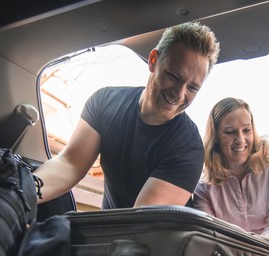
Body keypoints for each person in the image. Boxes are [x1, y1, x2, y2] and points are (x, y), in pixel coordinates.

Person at [34, 22, 220, 209]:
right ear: (153, 61)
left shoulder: (189, 148)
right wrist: (24, 192)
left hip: (155, 236)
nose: (180, 94)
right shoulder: (104, 102)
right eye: (173, 76)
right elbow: (70, 165)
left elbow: (143, 220)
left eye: (192, 88)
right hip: (114, 228)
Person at [193, 97, 269, 254]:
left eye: (246, 130)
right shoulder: (204, 189)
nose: (240, 139)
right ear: (216, 137)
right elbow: (211, 235)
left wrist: (256, 250)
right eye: (230, 132)